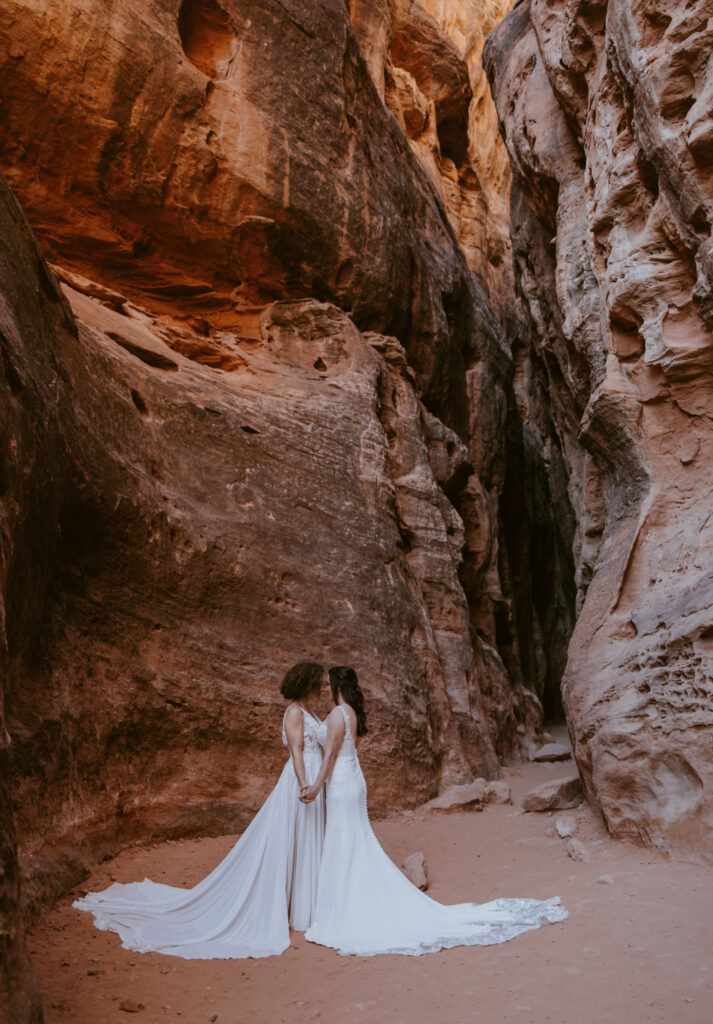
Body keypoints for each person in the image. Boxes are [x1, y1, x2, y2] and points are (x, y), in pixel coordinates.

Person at [301, 666, 567, 956]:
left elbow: (330, 753)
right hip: (352, 779)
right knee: (352, 839)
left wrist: (315, 786)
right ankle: (354, 900)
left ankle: (345, 909)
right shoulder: (350, 712)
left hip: (341, 782)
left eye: (328, 684)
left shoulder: (339, 714)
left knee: (344, 839)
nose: (324, 688)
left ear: (337, 684)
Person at [73, 661, 325, 958]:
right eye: (317, 681)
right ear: (306, 682)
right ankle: (286, 908)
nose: (321, 686)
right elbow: (296, 751)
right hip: (301, 780)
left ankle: (302, 907)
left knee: (304, 840)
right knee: (292, 839)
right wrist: (304, 783)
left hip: (313, 777)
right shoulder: (295, 712)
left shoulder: (310, 711)